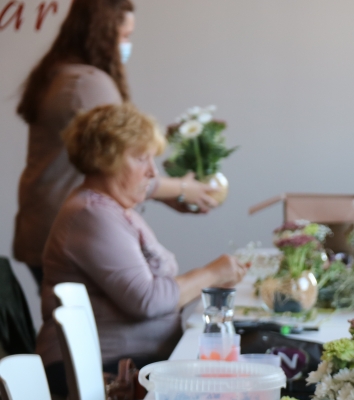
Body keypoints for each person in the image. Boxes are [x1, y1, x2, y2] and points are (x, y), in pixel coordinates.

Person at [34, 103, 245, 395]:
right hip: (102, 368)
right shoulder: (91, 214)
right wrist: (212, 274)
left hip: (133, 358)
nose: (152, 171)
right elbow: (147, 300)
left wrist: (214, 278)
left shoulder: (115, 208)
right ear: (105, 160)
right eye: (140, 158)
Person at [13, 0, 219, 287]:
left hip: (43, 219)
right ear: (101, 33)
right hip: (73, 226)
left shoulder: (60, 75)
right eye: (124, 36)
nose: (127, 45)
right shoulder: (87, 84)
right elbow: (118, 165)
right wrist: (183, 188)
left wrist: (170, 195)